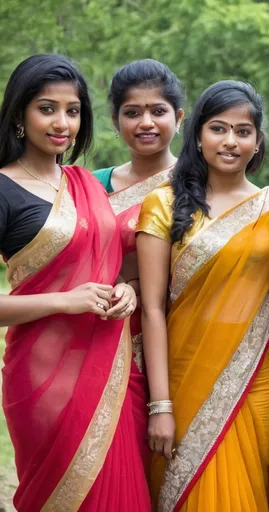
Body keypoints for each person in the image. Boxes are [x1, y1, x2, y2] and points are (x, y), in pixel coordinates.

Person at [136, 80, 269, 511]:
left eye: (243, 131)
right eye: (218, 128)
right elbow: (152, 310)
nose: (230, 141)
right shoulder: (163, 204)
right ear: (198, 136)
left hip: (260, 377)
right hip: (184, 376)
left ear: (258, 141)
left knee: (251, 490)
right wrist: (161, 404)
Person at [0, 54, 150, 511]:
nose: (62, 121)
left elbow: (114, 269)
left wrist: (130, 290)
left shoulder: (84, 182)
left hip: (114, 366)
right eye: (47, 108)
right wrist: (66, 301)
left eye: (73, 109)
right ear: (20, 115)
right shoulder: (3, 189)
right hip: (43, 377)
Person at [93, 59, 185, 469]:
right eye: (132, 113)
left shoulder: (200, 184)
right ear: (115, 120)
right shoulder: (90, 185)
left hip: (177, 342)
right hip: (96, 340)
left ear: (179, 118)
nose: (146, 122)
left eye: (158, 111)